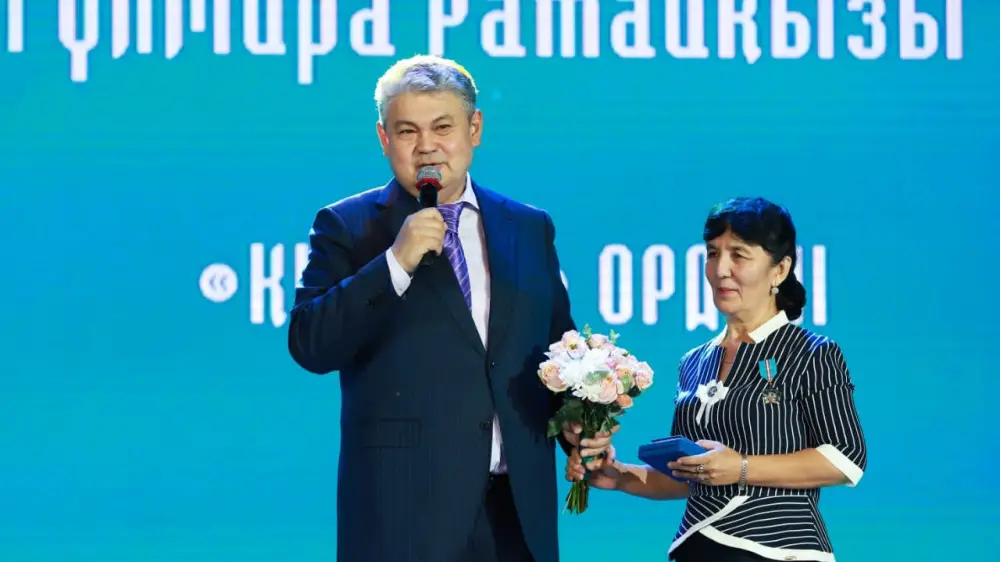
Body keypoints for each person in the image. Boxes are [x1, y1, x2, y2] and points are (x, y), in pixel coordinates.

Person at [287, 55, 608, 562]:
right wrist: (395, 262)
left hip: (515, 514)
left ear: (474, 128)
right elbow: (310, 343)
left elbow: (555, 355)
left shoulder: (527, 227)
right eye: (407, 131)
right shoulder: (348, 226)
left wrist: (576, 428)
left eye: (443, 127)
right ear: (384, 138)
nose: (427, 146)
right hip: (403, 517)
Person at [565, 197, 868, 562]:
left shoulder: (812, 352)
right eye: (712, 253)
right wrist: (619, 476)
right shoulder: (694, 361)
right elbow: (693, 476)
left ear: (780, 269)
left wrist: (741, 468)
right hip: (696, 548)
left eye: (739, 255)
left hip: (778, 550)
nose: (721, 269)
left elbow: (845, 458)